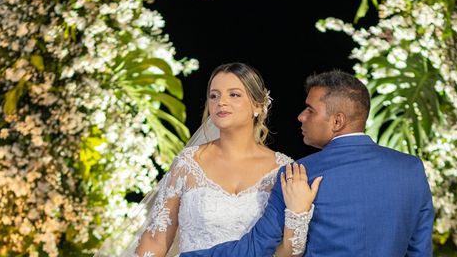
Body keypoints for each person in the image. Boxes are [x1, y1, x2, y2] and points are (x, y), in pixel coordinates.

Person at [179, 70, 434, 257]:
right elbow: (420, 250)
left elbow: (256, 247)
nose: (301, 116)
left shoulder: (298, 173)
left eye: (310, 110)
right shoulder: (411, 169)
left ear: (337, 121)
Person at [101, 62, 322, 257]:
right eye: (214, 95)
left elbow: (287, 252)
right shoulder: (188, 164)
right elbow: (156, 240)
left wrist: (298, 214)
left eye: (234, 94)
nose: (221, 102)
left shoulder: (283, 169)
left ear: (258, 105)